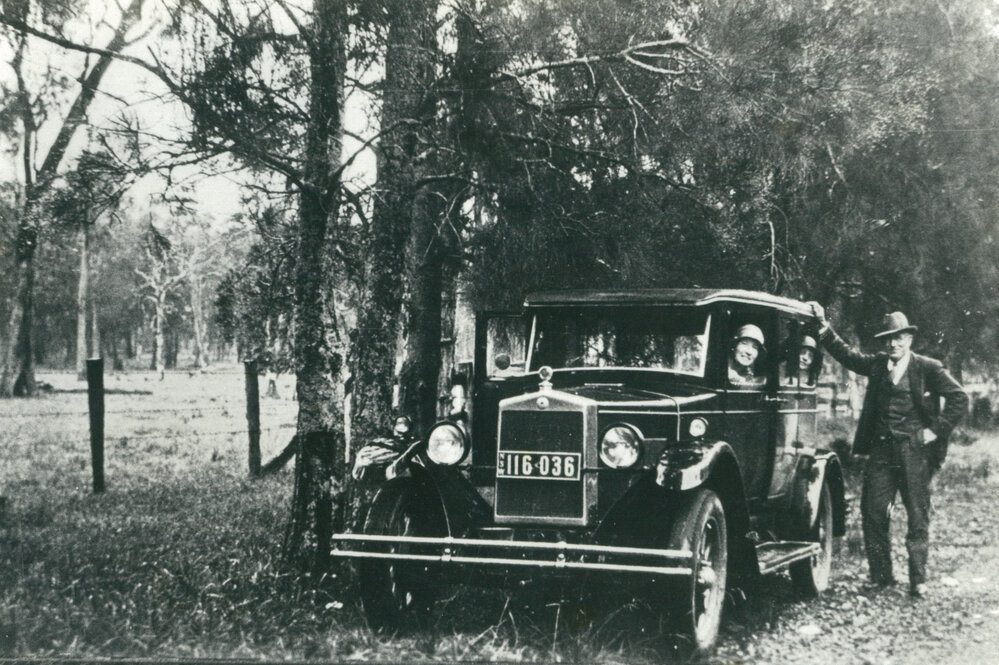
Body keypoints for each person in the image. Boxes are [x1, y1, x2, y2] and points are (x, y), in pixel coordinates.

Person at [807, 303, 968, 598]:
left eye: (899, 338)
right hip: (881, 454)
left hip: (914, 452)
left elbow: (959, 398)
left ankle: (917, 580)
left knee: (917, 516)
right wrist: (823, 328)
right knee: (873, 512)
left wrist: (934, 431)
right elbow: (848, 356)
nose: (893, 344)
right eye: (888, 339)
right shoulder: (879, 364)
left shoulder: (926, 367)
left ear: (909, 339)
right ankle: (881, 577)